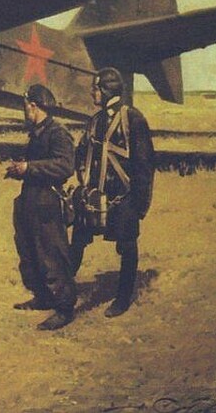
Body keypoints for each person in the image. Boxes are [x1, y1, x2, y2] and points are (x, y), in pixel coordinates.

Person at [70, 67, 155, 317]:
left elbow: (144, 164)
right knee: (77, 241)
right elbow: (81, 153)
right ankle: (62, 290)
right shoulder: (95, 121)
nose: (92, 93)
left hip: (124, 197)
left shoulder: (133, 119)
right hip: (95, 197)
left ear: (107, 90)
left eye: (95, 88)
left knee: (127, 246)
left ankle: (123, 298)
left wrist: (139, 204)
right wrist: (84, 184)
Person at [5, 84, 76, 331]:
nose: (24, 110)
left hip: (48, 201)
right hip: (30, 199)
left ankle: (65, 308)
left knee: (52, 254)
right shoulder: (37, 132)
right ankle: (43, 296)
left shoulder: (58, 133)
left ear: (33, 106)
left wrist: (30, 168)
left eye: (25, 106)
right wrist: (20, 169)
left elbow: (65, 166)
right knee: (30, 251)